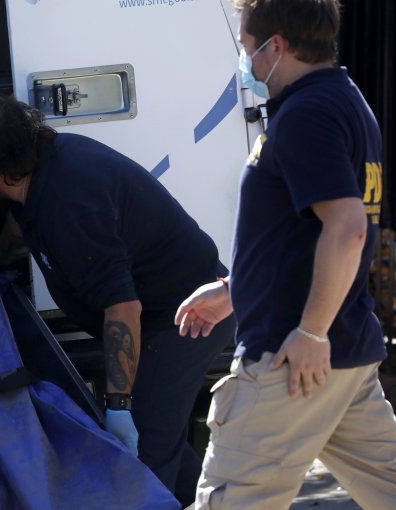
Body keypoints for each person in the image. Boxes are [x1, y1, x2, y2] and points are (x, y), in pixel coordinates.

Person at [0, 89, 236, 506]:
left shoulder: (70, 204)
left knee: (143, 454)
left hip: (187, 315)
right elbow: (21, 223)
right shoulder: (34, 169)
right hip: (156, 312)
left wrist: (118, 405)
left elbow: (123, 309)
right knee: (164, 442)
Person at [174, 1, 396, 508]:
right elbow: (299, 235)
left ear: (277, 46)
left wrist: (311, 331)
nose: (245, 61)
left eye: (247, 47)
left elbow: (346, 229)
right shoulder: (341, 99)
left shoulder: (306, 115)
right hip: (342, 354)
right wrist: (237, 291)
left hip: (291, 361)